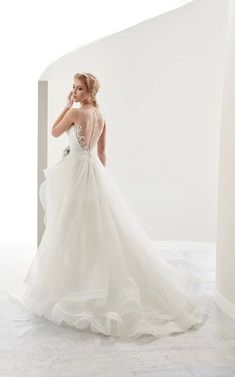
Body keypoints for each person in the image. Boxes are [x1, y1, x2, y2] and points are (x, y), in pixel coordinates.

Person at [22, 72, 208, 341]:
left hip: (77, 174)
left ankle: (81, 285)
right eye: (73, 88)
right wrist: (101, 182)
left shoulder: (76, 113)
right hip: (94, 174)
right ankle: (86, 280)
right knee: (93, 230)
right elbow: (102, 153)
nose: (75, 92)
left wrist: (66, 105)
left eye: (79, 89)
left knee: (72, 230)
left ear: (90, 91)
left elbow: (53, 132)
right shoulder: (101, 115)